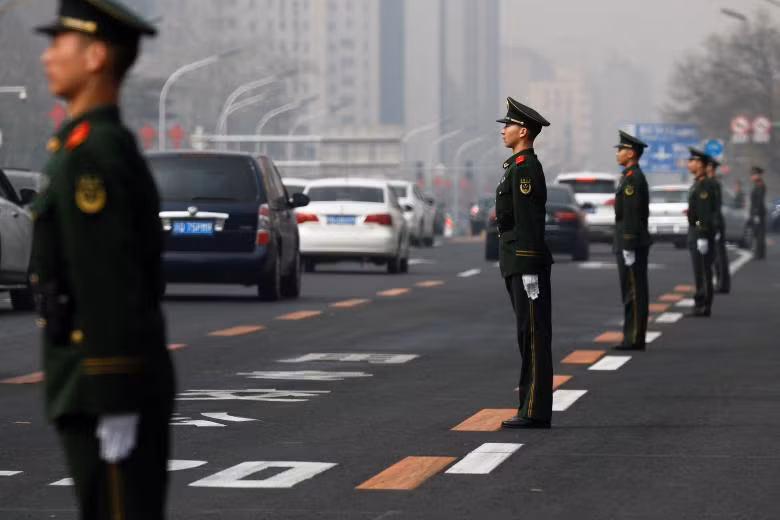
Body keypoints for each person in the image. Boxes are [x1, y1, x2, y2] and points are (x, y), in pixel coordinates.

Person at [31, 1, 175, 518]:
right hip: (96, 382)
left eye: (58, 43)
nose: (47, 57)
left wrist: (115, 393)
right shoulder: (86, 144)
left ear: (95, 55)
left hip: (104, 386)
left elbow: (109, 279)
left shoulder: (93, 153)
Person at [494, 97, 554, 429]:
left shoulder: (526, 168)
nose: (504, 131)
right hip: (516, 260)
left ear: (524, 131)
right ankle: (530, 406)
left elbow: (529, 221)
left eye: (509, 126)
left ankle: (534, 409)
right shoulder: (516, 167)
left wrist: (530, 265)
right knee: (527, 334)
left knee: (533, 336)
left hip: (524, 262)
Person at [613, 131, 651, 350]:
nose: (618, 153)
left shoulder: (633, 178)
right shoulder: (629, 176)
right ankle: (632, 335)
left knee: (634, 291)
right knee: (630, 290)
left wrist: (628, 242)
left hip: (631, 242)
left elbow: (632, 212)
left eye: (621, 149)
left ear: (631, 153)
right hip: (629, 241)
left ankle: (635, 337)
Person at [686, 148, 718, 317]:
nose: (689, 164)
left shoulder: (704, 186)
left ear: (700, 164)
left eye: (692, 161)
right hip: (696, 232)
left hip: (700, 234)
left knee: (704, 271)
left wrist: (701, 232)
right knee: (699, 271)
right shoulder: (697, 183)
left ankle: (704, 304)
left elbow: (703, 215)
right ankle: (700, 302)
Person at [706, 157, 730, 294]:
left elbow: (715, 207)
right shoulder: (710, 183)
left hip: (716, 224)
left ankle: (723, 283)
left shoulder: (714, 184)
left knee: (719, 256)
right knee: (716, 256)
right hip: (712, 224)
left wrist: (715, 227)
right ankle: (721, 282)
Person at [750, 166, 767, 259]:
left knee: (759, 234)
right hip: (757, 213)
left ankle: (760, 253)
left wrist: (756, 213)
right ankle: (760, 252)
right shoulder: (757, 185)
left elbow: (759, 201)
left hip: (759, 213)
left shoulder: (760, 186)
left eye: (754, 174)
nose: (752, 177)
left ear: (759, 176)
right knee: (758, 233)